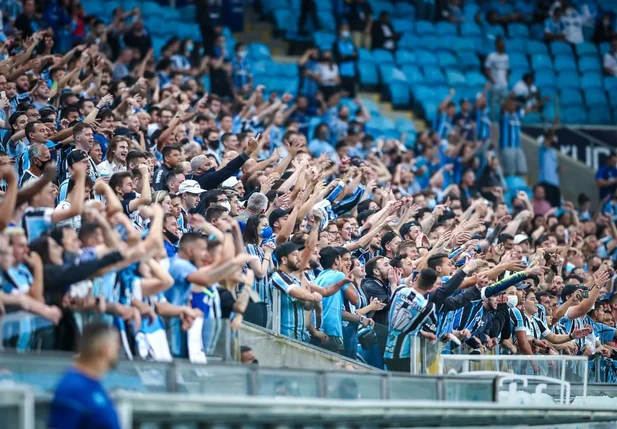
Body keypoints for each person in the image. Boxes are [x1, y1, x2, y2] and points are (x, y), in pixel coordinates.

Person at [48, 323, 122, 429]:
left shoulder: (93, 384)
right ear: (105, 348)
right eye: (116, 344)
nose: (118, 350)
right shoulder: (74, 388)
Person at [484, 37, 510, 120]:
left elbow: (507, 69)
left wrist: (506, 80)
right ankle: (492, 121)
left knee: (504, 103)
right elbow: (487, 68)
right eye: (500, 44)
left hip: (503, 84)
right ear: (497, 45)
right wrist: (491, 80)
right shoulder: (492, 56)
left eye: (503, 44)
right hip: (495, 84)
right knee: (493, 104)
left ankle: (502, 120)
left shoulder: (506, 57)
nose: (502, 45)